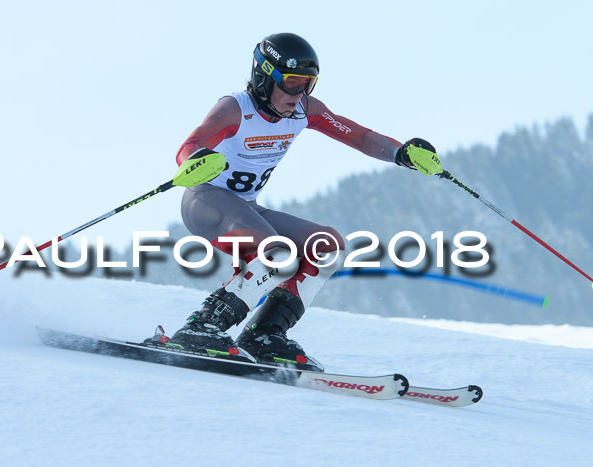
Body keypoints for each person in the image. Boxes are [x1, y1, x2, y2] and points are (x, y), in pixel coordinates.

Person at [161, 32, 440, 370]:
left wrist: (400, 153)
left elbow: (360, 136)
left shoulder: (305, 111)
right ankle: (201, 328)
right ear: (265, 77)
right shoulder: (236, 109)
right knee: (277, 252)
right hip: (206, 201)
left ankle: (265, 335)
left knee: (328, 245)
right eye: (292, 83)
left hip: (246, 208)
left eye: (308, 84)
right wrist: (195, 160)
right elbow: (190, 145)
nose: (300, 94)